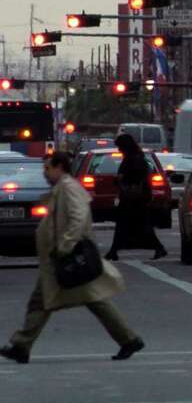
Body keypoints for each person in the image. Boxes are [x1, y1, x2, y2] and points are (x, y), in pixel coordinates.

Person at [0, 151, 143, 364]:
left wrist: (66, 244)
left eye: (48, 168)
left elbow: (78, 217)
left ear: (60, 167)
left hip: (67, 256)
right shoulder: (63, 188)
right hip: (59, 257)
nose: (45, 173)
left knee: (72, 300)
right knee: (51, 302)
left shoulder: (68, 188)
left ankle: (128, 339)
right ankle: (22, 345)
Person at [105, 133, 167, 261]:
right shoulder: (136, 157)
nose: (119, 149)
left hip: (133, 198)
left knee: (131, 224)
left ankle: (114, 250)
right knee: (135, 225)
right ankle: (114, 250)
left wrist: (121, 180)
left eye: (120, 147)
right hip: (136, 197)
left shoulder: (133, 159)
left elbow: (134, 177)